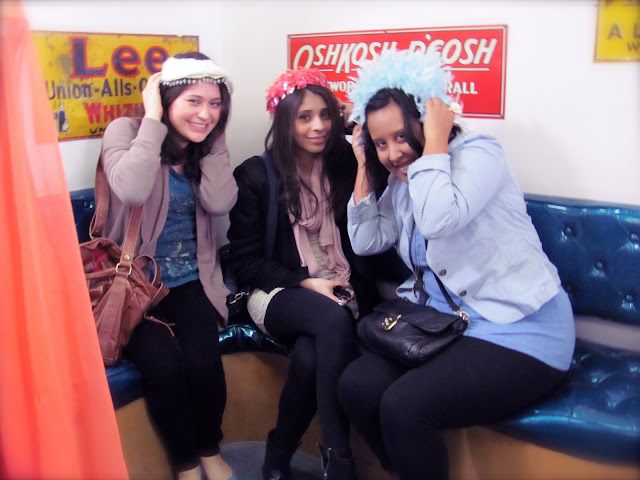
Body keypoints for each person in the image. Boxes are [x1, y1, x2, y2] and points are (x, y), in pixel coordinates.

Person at [337, 49, 576, 480]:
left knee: (404, 407)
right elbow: (367, 240)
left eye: (401, 135)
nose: (393, 152)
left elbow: (438, 219)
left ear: (427, 120)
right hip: (448, 325)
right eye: (380, 142)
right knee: (356, 387)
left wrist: (433, 144)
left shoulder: (478, 153)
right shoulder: (406, 177)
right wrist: (364, 165)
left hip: (522, 327)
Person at [226, 68, 380, 480]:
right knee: (330, 317)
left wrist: (356, 123)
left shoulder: (345, 165)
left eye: (326, 115)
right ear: (284, 121)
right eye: (304, 116)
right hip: (277, 291)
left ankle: (276, 459)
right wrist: (307, 282)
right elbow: (245, 262)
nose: (318, 126)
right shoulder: (256, 175)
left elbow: (385, 149)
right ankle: (339, 459)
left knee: (311, 358)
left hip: (342, 287)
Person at [100, 52, 238, 480]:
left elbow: (220, 201)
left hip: (191, 280)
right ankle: (185, 463)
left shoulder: (206, 145)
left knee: (204, 363)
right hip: (132, 284)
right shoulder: (125, 131)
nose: (205, 114)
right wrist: (153, 119)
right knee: (163, 367)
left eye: (215, 104)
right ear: (165, 97)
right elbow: (132, 189)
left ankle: (209, 449)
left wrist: (215, 138)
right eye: (194, 101)